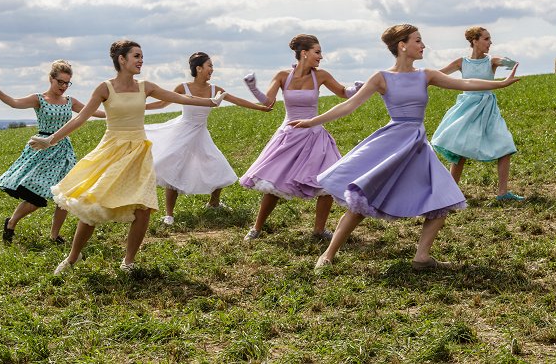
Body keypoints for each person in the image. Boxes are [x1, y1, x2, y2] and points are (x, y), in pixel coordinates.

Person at [288, 24, 520, 271]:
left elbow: (467, 84)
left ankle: (422, 257)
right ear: (402, 45)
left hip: (417, 144)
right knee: (363, 199)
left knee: (443, 198)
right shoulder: (381, 77)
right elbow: (349, 105)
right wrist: (312, 121)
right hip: (392, 142)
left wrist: (500, 84)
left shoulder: (426, 75)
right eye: (418, 41)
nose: (423, 46)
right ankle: (328, 254)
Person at [29, 40, 225, 274]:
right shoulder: (105, 88)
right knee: (94, 205)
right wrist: (50, 140)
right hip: (111, 150)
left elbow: (181, 99)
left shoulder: (146, 86)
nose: (141, 60)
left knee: (144, 209)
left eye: (142, 56)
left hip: (139, 151)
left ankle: (128, 262)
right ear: (122, 60)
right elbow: (80, 118)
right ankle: (73, 257)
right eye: (136, 56)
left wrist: (210, 101)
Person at [239, 34, 363, 241]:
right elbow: (268, 102)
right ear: (304, 53)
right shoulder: (281, 76)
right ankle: (257, 228)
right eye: (317, 52)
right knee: (274, 183)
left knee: (326, 182)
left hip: (315, 136)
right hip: (289, 136)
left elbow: (342, 92)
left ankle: (319, 231)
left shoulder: (321, 75)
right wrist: (253, 87)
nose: (321, 57)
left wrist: (355, 89)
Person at [144, 52, 273, 225]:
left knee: (218, 165)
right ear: (198, 68)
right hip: (182, 132)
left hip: (201, 133)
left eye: (212, 66)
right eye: (209, 66)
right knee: (174, 170)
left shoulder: (215, 89)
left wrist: (260, 108)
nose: (212, 69)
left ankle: (213, 203)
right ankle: (169, 214)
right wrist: (138, 106)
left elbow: (237, 100)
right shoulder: (183, 87)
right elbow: (162, 103)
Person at [0, 60, 105, 244]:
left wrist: (118, 110)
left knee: (64, 196)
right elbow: (14, 103)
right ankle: (11, 223)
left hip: (63, 152)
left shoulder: (70, 101)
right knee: (35, 198)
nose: (64, 87)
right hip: (42, 149)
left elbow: (92, 112)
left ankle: (54, 235)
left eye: (67, 83)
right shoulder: (39, 99)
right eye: (60, 82)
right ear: (51, 79)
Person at [431, 26, 524, 201]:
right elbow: (438, 74)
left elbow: (510, 63)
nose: (490, 43)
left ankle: (503, 193)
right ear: (475, 41)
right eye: (486, 39)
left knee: (505, 145)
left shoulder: (491, 61)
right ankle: (451, 193)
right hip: (467, 108)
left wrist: (507, 62)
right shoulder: (461, 62)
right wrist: (420, 80)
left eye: (490, 39)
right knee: (459, 151)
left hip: (488, 108)